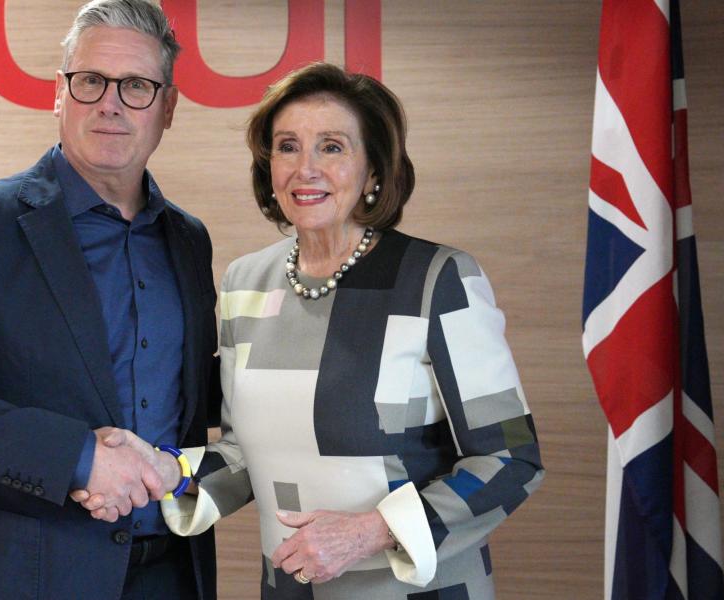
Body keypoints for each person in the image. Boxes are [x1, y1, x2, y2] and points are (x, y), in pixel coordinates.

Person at [82, 62, 545, 598]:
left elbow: (512, 458)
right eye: (287, 146)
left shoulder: (438, 280)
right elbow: (245, 453)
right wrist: (169, 472)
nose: (306, 168)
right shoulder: (245, 283)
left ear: (374, 170)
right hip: (290, 587)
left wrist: (372, 532)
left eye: (331, 147)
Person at [0, 1, 219, 598]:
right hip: (22, 574)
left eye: (136, 85)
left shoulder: (189, 240)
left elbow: (196, 402)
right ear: (60, 94)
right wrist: (80, 457)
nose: (110, 103)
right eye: (90, 81)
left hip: (170, 572)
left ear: (168, 108)